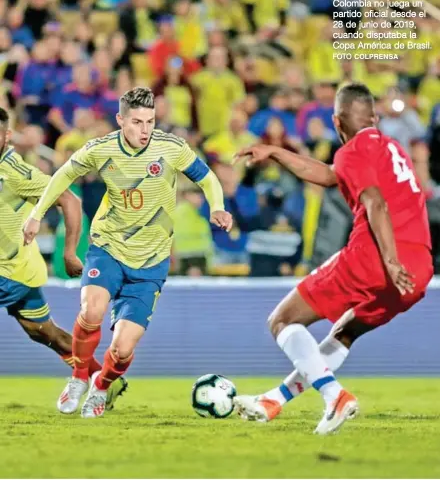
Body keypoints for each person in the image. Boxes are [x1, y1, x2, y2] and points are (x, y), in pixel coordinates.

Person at [233, 83, 433, 435]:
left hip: (376, 255)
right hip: (419, 267)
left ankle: (334, 396)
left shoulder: (352, 150)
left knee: (282, 320)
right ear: (374, 117)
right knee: (345, 331)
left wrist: (387, 260)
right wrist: (278, 153)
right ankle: (274, 401)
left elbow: (375, 202)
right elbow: (328, 175)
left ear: (337, 122)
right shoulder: (391, 148)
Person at [24, 87, 233, 419]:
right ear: (121, 120)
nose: (145, 130)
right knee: (91, 311)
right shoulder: (101, 149)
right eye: (137, 122)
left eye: (150, 121)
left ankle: (102, 387)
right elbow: (62, 175)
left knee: (122, 349)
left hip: (151, 262)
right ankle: (79, 377)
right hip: (109, 246)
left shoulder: (171, 148)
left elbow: (207, 178)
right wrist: (36, 215)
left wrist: (217, 206)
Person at [0, 107, 127, 411]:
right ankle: (101, 376)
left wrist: (70, 252)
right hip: (19, 270)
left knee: (45, 333)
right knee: (46, 334)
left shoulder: (15, 173)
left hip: (10, 271)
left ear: (6, 137)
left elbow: (69, 200)